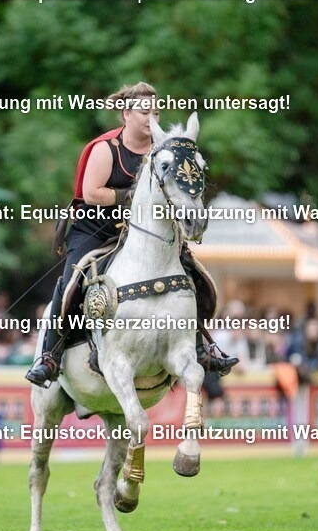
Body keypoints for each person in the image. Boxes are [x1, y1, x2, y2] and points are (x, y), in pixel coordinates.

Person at [25, 82, 238, 386]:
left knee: (191, 273)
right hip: (96, 229)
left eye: (156, 110)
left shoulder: (163, 151)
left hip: (144, 232)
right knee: (73, 279)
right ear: (126, 114)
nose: (152, 117)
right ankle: (51, 355)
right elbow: (92, 193)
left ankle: (203, 346)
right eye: (144, 111)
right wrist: (135, 195)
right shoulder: (105, 149)